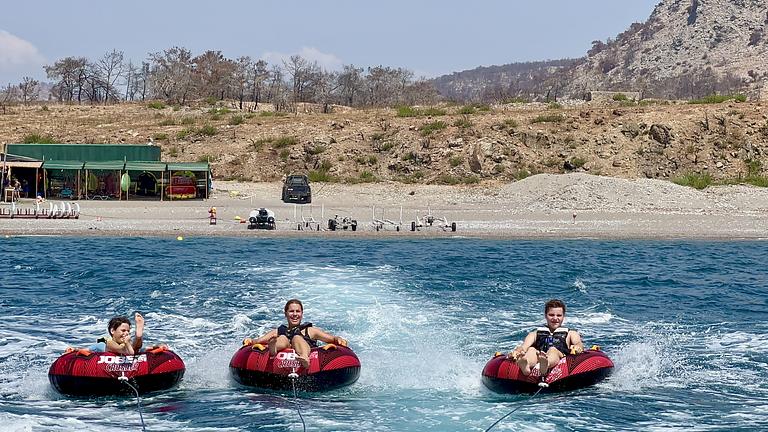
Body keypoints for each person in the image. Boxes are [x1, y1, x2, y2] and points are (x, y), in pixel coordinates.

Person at [245, 299, 348, 369]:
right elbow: (257, 341)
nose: (295, 314)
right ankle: (273, 349)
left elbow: (333, 339)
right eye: (291, 311)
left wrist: (339, 339)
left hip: (308, 356)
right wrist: (250, 341)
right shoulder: (278, 331)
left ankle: (304, 357)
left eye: (298, 311)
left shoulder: (310, 331)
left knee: (297, 338)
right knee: (282, 338)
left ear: (302, 313)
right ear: (285, 313)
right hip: (278, 353)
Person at [507, 299, 584, 377]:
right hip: (539, 356)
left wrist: (578, 347)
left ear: (563, 316)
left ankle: (546, 363)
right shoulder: (535, 333)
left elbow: (578, 343)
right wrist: (517, 352)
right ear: (545, 315)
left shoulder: (571, 333)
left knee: (553, 350)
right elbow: (524, 346)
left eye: (559, 315)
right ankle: (526, 365)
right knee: (531, 350)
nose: (555, 318)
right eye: (551, 315)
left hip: (558, 356)